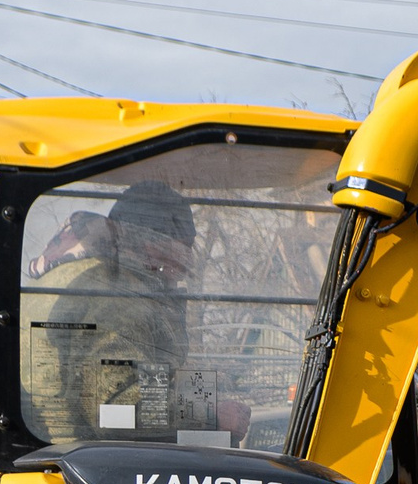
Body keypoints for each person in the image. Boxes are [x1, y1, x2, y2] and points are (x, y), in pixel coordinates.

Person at [21, 181, 249, 444]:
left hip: (71, 454)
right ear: (155, 243)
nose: (189, 260)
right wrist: (213, 415)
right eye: (186, 245)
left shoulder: (86, 275)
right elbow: (117, 410)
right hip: (87, 465)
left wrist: (203, 393)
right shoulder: (117, 296)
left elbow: (141, 380)